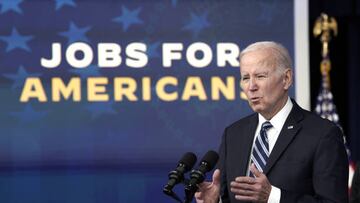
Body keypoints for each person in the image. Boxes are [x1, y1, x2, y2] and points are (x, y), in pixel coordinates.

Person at [195, 41, 348, 203]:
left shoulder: (322, 134)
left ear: (286, 79)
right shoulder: (233, 134)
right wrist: (215, 201)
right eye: (246, 78)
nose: (251, 86)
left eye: (260, 76)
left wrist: (273, 197)